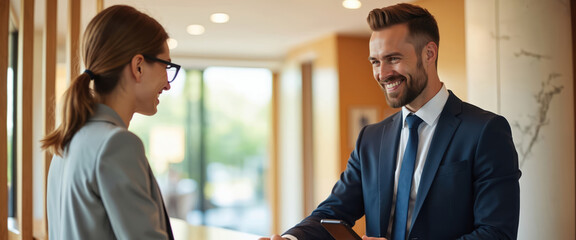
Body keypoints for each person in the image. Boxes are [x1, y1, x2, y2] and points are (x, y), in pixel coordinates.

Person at [261, 3, 520, 240]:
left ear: (429, 53)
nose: (382, 74)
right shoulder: (371, 138)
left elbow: (496, 234)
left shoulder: (485, 131)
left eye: (393, 59)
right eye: (375, 61)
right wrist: (290, 239)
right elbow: (333, 211)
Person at [42, 5, 181, 240]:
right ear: (138, 66)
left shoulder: (66, 144)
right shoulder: (117, 144)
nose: (168, 84)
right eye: (166, 66)